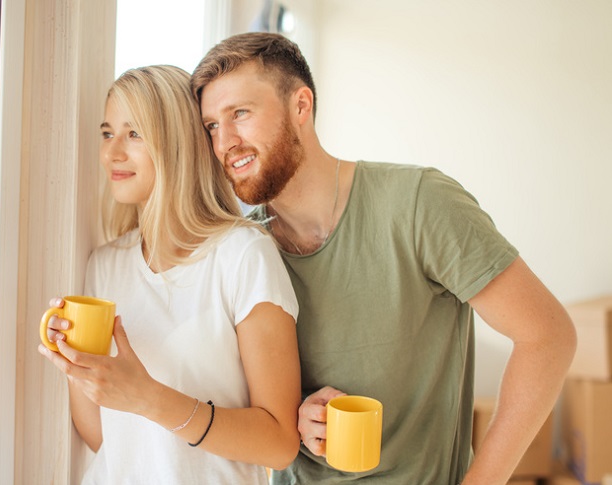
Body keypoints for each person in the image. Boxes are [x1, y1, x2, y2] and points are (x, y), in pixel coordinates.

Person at [190, 32, 577, 485]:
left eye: (240, 113)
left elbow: (548, 336)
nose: (225, 142)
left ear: (301, 106)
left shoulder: (418, 205)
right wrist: (298, 419)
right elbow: (253, 416)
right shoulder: (244, 250)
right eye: (212, 125)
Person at [38, 65, 302, 484]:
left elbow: (279, 443)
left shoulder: (243, 255)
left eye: (134, 133)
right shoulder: (105, 265)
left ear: (177, 144)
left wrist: (148, 397)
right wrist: (78, 367)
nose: (112, 153)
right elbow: (105, 437)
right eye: (107, 134)